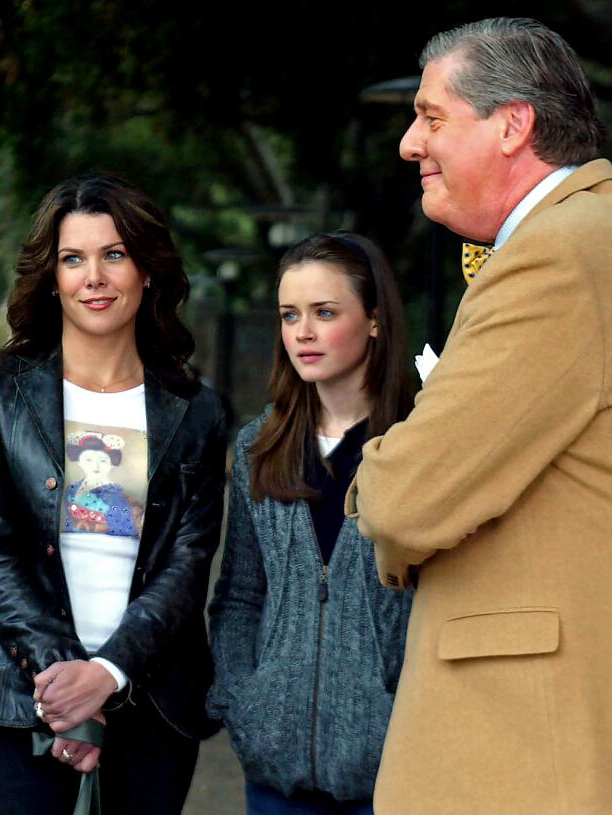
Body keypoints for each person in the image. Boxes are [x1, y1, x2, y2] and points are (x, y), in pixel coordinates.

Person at [344, 17, 612, 813]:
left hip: (543, 757)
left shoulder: (560, 256)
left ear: (513, 124)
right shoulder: (590, 238)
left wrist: (380, 474)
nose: (411, 144)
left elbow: (404, 499)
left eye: (431, 116)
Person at [0, 173, 227, 814]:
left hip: (152, 703)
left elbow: (189, 563)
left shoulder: (196, 410)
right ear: (52, 277)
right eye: (73, 259)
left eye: (114, 255)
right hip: (27, 702)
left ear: (147, 270)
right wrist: (64, 687)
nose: (93, 277)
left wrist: (106, 676)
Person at [208, 233, 414, 814]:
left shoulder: (418, 446)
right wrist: (244, 703)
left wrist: (400, 708)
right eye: (289, 315)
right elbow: (240, 594)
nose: (303, 332)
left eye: (325, 313)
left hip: (392, 769)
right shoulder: (259, 445)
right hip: (277, 772)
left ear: (374, 320)